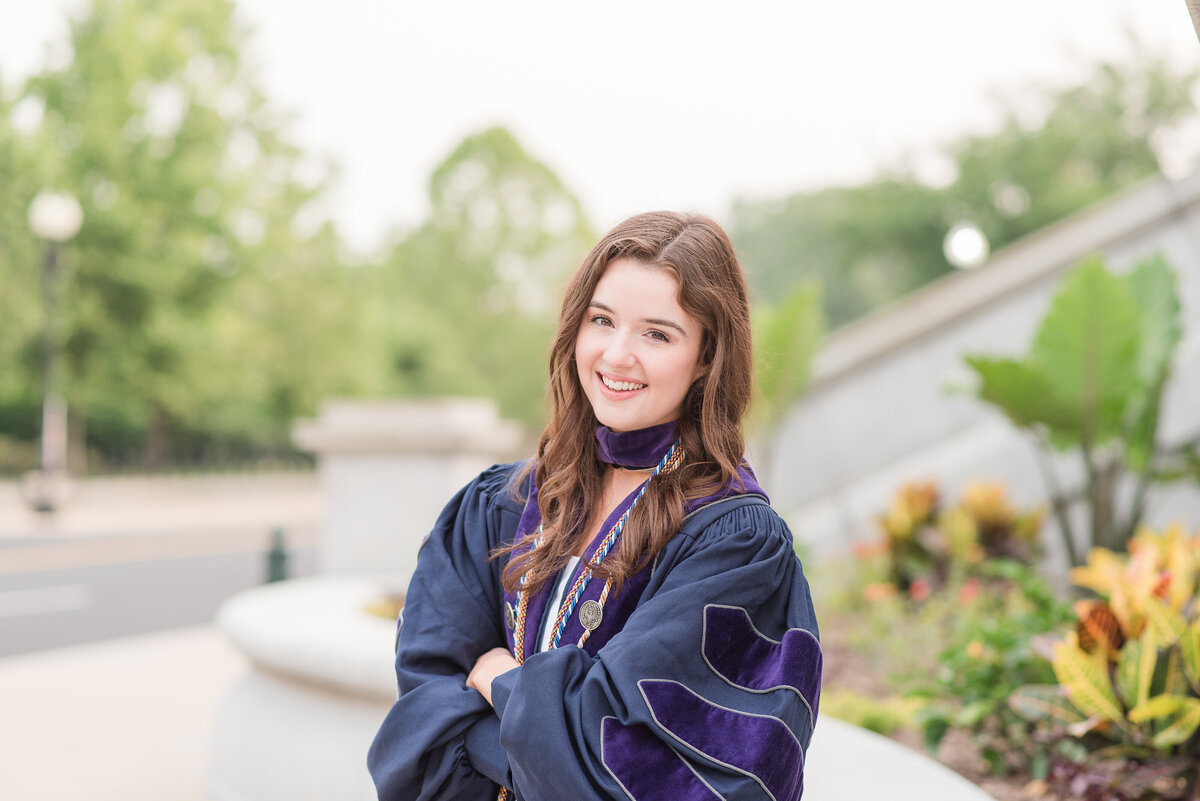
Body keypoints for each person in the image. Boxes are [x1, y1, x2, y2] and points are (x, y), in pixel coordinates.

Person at [368, 211, 821, 801]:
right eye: (601, 320)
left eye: (657, 334)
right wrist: (549, 742)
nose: (616, 354)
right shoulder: (499, 507)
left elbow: (644, 772)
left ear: (708, 356)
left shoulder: (732, 545)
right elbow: (422, 722)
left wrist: (498, 679)